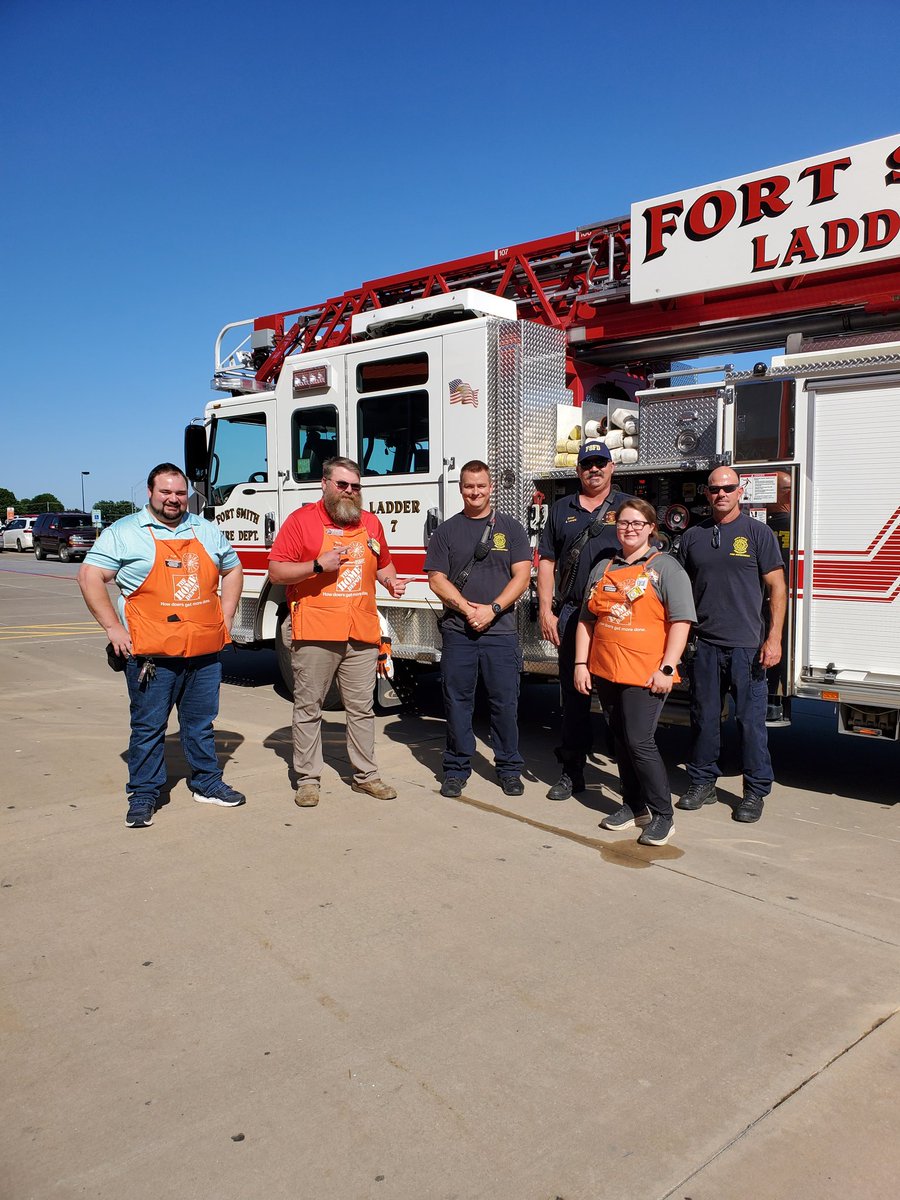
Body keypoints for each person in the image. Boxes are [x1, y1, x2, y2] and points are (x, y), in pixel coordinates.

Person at [77, 464, 244, 828]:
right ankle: (144, 793)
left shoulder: (206, 530)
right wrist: (112, 628)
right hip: (151, 656)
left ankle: (207, 782)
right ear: (150, 493)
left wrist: (226, 618)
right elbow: (90, 575)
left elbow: (233, 568)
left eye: (180, 492)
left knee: (200, 724)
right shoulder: (125, 532)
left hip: (204, 654)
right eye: (165, 492)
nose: (173, 499)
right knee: (149, 726)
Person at [267, 457, 407, 808]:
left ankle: (366, 775)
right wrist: (318, 565)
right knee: (309, 707)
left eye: (355, 486)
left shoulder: (371, 523)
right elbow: (276, 572)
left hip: (360, 631)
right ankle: (308, 779)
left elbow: (384, 561)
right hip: (315, 630)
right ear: (325, 484)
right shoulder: (301, 522)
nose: (349, 491)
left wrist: (390, 581)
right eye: (342, 484)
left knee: (361, 708)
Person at [574, 500, 695, 846]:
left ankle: (663, 815)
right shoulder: (603, 568)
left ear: (651, 528)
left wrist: (667, 667)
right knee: (620, 741)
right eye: (624, 522)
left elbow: (681, 621)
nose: (629, 528)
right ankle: (633, 805)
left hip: (646, 675)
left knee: (640, 741)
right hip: (607, 670)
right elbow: (587, 620)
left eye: (638, 523)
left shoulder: (666, 569)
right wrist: (582, 664)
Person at [676, 466, 786, 823]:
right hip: (705, 645)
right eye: (714, 489)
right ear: (706, 494)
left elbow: (777, 589)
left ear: (741, 491)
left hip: (747, 647)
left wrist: (774, 638)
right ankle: (702, 782)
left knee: (750, 722)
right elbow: (678, 590)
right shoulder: (693, 537)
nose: (721, 494)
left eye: (728, 488)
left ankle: (755, 791)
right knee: (704, 718)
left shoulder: (758, 534)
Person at [424, 461, 531, 797]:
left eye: (481, 486)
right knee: (457, 702)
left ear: (491, 487)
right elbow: (436, 579)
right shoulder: (446, 532)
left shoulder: (511, 529)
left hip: (501, 634)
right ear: (461, 488)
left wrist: (493, 609)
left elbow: (522, 576)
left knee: (505, 704)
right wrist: (467, 608)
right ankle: (456, 769)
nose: (475, 492)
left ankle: (509, 768)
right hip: (459, 633)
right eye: (469, 486)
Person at [537, 438, 636, 800]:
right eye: (587, 463)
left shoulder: (628, 508)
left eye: (600, 463)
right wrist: (546, 610)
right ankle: (572, 772)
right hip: (573, 612)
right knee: (574, 699)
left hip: (617, 618)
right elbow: (546, 561)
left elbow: (645, 557)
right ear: (578, 470)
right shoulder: (561, 508)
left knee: (620, 701)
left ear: (612, 468)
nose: (594, 469)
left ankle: (629, 780)